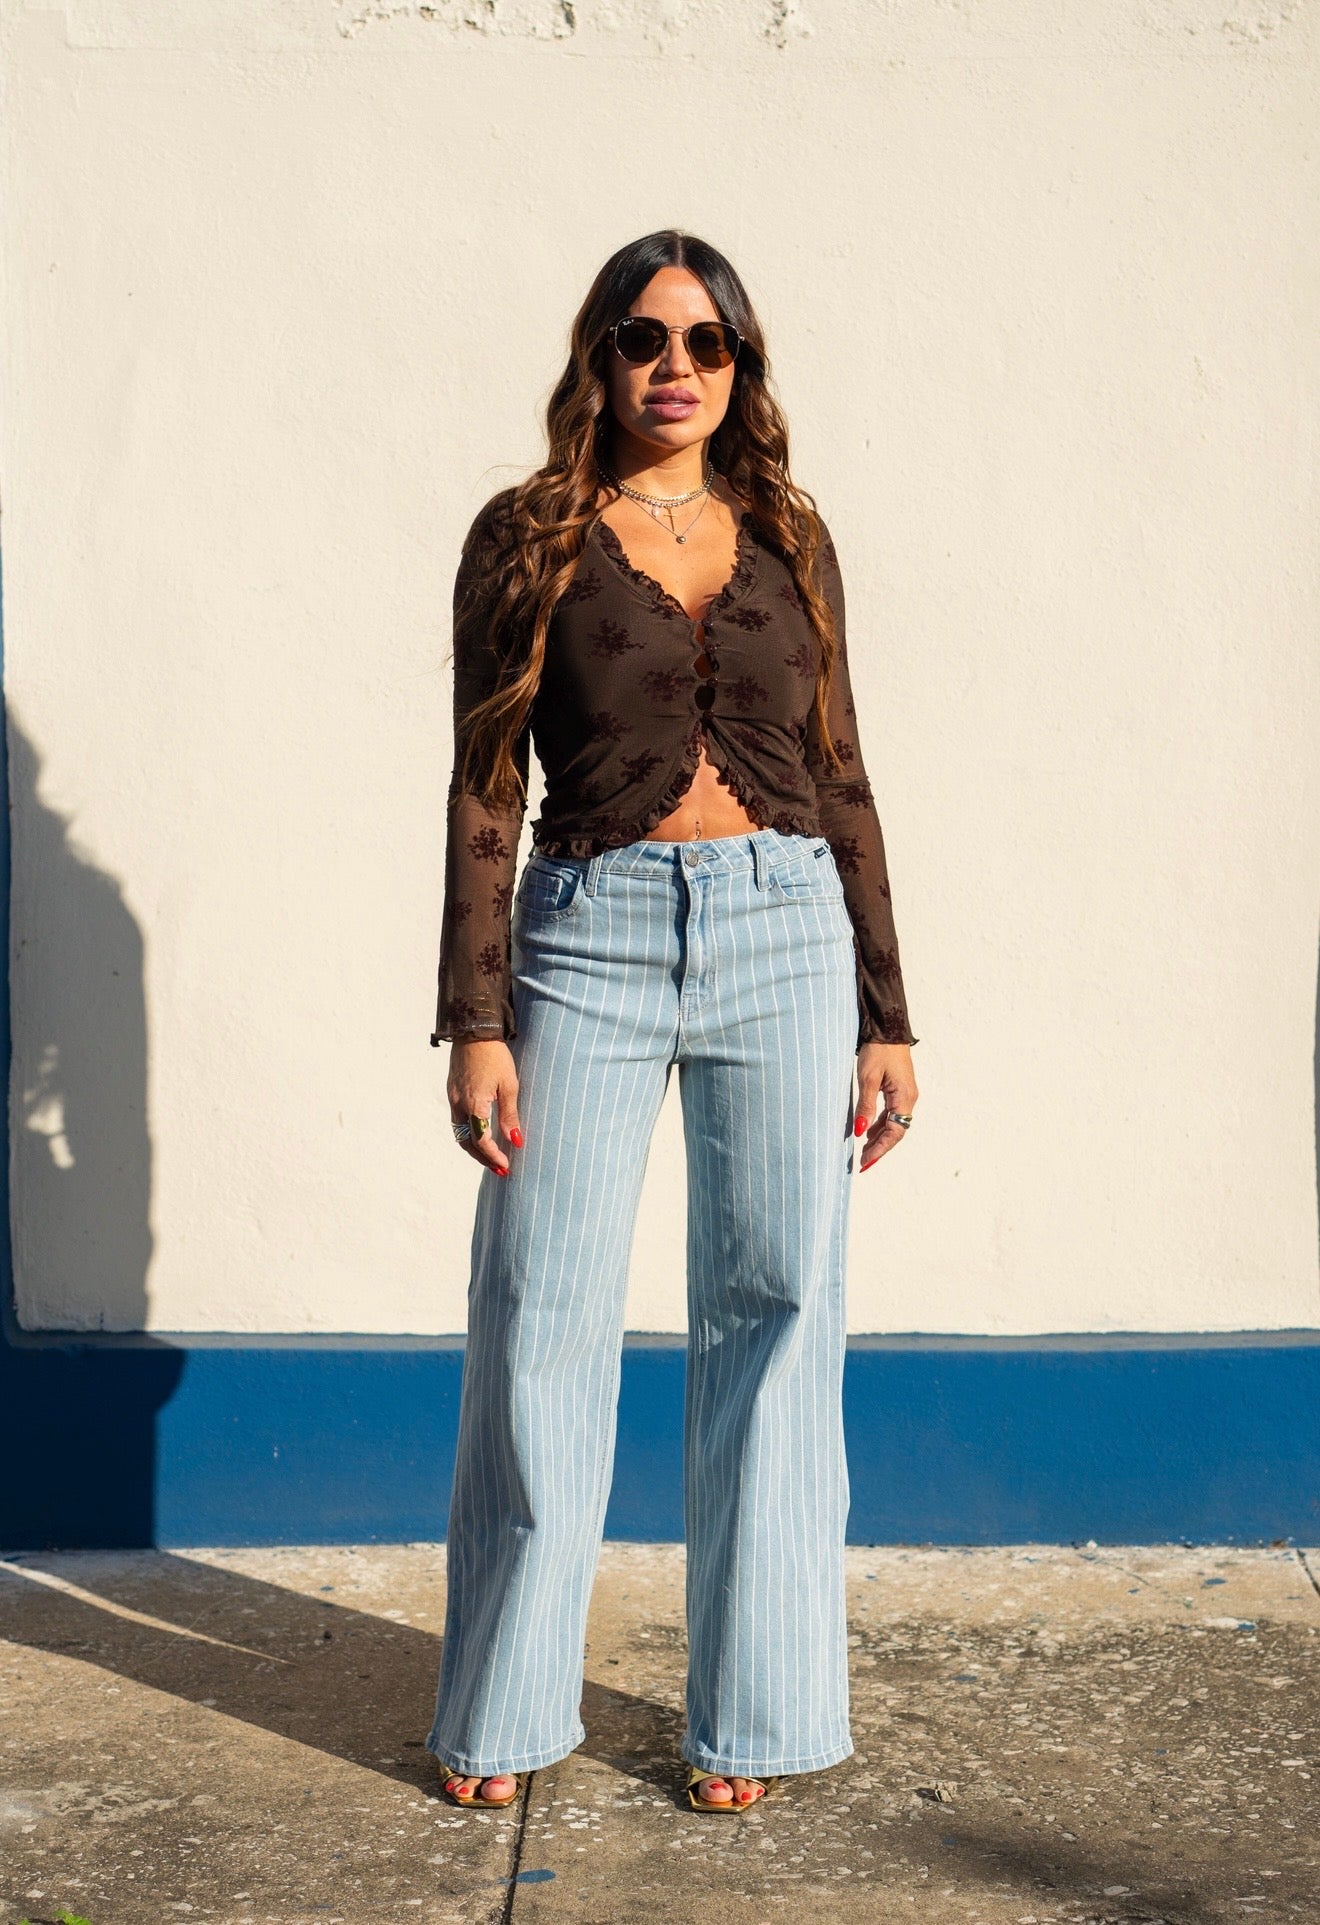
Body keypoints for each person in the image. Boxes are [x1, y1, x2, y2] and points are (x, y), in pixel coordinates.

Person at [424, 229, 919, 1814]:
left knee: (780, 1310)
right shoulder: (526, 537)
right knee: (540, 1314)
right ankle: (501, 1702)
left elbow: (841, 772)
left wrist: (888, 1011)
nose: (677, 368)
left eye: (709, 344)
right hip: (591, 933)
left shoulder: (791, 533)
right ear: (600, 356)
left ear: (742, 368)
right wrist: (476, 1016)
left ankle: (756, 1713)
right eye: (646, 338)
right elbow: (486, 782)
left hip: (787, 929)